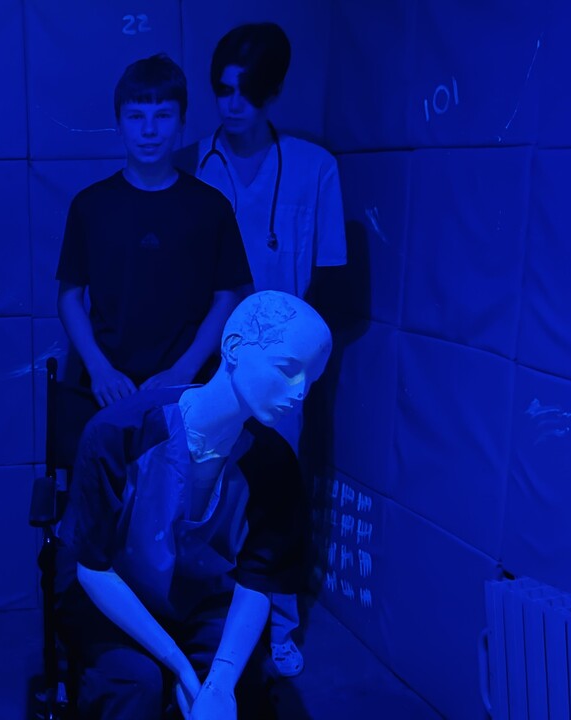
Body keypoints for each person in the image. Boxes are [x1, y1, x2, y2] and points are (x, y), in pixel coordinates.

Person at [56, 291, 332, 719]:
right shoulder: (118, 433)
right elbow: (92, 567)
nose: (300, 392)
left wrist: (219, 684)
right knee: (134, 686)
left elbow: (257, 578)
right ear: (234, 347)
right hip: (115, 594)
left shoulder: (273, 462)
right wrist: (182, 670)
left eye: (310, 379)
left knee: (245, 690)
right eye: (287, 369)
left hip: (204, 598)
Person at [176, 23, 347, 676]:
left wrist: (296, 365)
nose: (232, 105)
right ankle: (202, 617)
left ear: (273, 94)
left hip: (278, 369)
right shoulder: (190, 163)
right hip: (208, 358)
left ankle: (279, 624)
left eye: (247, 93)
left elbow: (328, 275)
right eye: (222, 90)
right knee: (201, 485)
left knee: (276, 494)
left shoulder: (314, 167)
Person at [55, 53, 249, 414]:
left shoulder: (211, 207)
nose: (149, 131)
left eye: (162, 116)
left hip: (190, 388)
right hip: (108, 387)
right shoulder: (90, 205)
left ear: (182, 121)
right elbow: (69, 297)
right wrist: (100, 370)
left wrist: (183, 370)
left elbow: (227, 296)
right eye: (136, 117)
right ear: (118, 123)